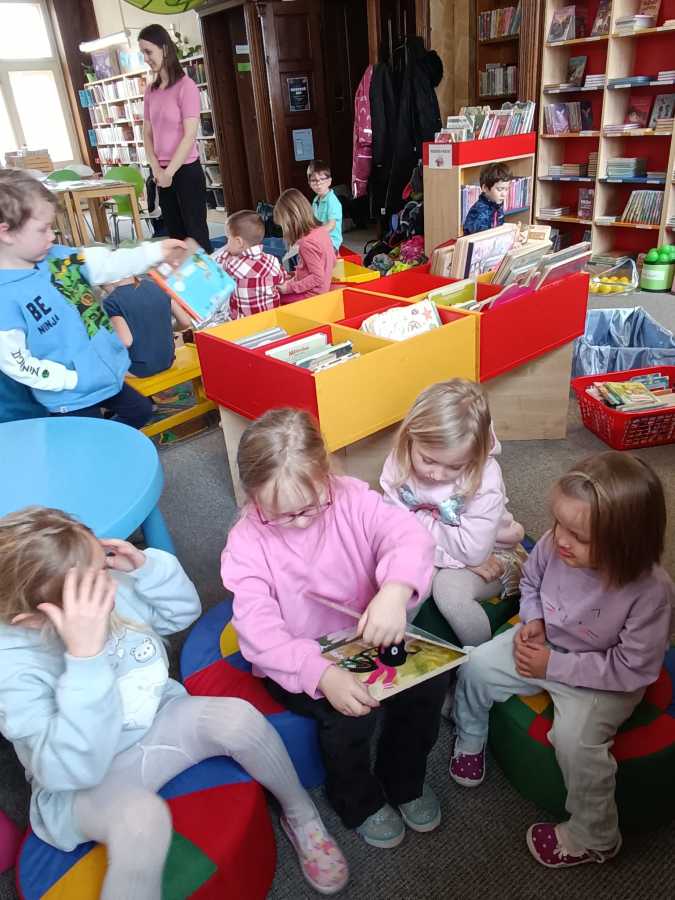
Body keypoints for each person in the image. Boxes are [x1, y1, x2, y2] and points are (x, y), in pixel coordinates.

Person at [0, 506, 349, 898]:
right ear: (34, 620)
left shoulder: (108, 585)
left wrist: (147, 569)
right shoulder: (12, 670)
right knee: (142, 823)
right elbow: (71, 771)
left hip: (157, 719)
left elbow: (183, 614)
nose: (109, 587)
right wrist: (85, 660)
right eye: (91, 589)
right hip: (89, 781)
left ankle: (301, 814)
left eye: (102, 567)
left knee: (239, 719)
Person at [221, 408, 449, 850]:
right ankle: (357, 802)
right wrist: (321, 674)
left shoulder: (350, 497)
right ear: (252, 497)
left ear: (326, 474)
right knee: (348, 716)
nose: (302, 521)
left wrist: (395, 591)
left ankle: (404, 780)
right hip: (299, 660)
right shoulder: (246, 544)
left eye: (311, 506)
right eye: (283, 515)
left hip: (364, 637)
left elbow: (409, 537)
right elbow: (259, 633)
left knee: (428, 683)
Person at [449, 452, 673, 868]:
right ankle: (470, 732)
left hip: (604, 677)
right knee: (475, 665)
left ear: (627, 543)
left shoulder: (651, 591)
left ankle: (594, 836)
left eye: (579, 536)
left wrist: (553, 666)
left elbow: (631, 669)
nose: (561, 540)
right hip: (546, 643)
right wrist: (533, 619)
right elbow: (532, 582)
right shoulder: (555, 545)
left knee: (577, 742)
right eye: (558, 524)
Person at [0, 169, 185, 427]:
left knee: (141, 411)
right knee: (90, 441)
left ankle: (107, 436)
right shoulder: (6, 297)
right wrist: (70, 379)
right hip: (70, 395)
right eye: (42, 229)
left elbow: (107, 262)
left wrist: (154, 252)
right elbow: (16, 363)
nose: (52, 236)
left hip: (104, 374)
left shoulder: (59, 256)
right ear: (6, 233)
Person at [380, 380, 526, 647]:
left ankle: (479, 656)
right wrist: (454, 557)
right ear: (410, 437)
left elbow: (474, 553)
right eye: (428, 460)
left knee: (449, 591)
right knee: (404, 580)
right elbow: (390, 529)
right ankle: (392, 647)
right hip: (452, 554)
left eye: (454, 467)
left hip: (495, 556)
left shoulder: (485, 478)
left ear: (475, 456)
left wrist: (416, 525)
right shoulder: (400, 460)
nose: (437, 475)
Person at [140, 24, 212, 253]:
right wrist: (156, 168)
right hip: (161, 173)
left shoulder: (186, 87)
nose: (146, 58)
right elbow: (147, 132)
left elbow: (189, 135)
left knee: (196, 237)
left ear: (164, 49)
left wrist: (169, 172)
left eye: (148, 52)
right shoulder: (150, 91)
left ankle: (209, 276)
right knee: (176, 239)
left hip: (185, 171)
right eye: (142, 53)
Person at [212, 210, 285, 319]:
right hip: (272, 319)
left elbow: (214, 265)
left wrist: (226, 252)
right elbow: (282, 279)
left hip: (244, 324)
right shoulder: (272, 260)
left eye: (228, 239)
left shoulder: (233, 265)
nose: (227, 244)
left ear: (239, 242)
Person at [102, 277, 178, 378]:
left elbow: (126, 342)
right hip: (168, 360)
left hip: (139, 369)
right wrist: (163, 329)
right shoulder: (154, 285)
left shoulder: (112, 301)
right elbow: (185, 322)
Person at [273, 189, 336, 303]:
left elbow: (317, 277)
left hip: (312, 294)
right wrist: (296, 277)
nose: (284, 230)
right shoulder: (321, 231)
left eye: (283, 226)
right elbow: (333, 261)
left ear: (292, 220)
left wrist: (289, 288)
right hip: (321, 288)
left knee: (274, 298)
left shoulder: (306, 243)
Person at [462, 163, 512, 235]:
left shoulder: (497, 204)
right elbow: (481, 239)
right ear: (485, 188)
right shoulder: (479, 212)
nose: (504, 194)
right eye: (499, 189)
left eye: (506, 189)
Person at [307, 160, 343, 252]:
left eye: (322, 179)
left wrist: (315, 234)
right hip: (319, 240)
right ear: (309, 183)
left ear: (329, 181)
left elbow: (331, 225)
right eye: (314, 180)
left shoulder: (332, 201)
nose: (318, 183)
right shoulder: (315, 200)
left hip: (331, 243)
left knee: (308, 252)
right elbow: (313, 222)